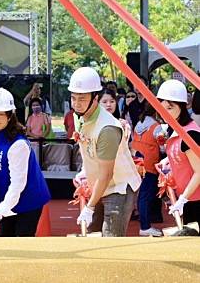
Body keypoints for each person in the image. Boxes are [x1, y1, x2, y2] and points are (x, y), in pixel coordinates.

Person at [70, 67, 141, 237]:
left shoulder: (107, 128)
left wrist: (90, 206)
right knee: (92, 234)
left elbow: (106, 174)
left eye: (82, 98)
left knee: (110, 239)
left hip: (119, 187)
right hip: (100, 185)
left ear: (95, 98)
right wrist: (84, 173)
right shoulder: (81, 117)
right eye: (73, 98)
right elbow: (89, 152)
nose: (76, 103)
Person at [0, 88, 50, 237]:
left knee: (22, 244)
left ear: (10, 116)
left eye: (1, 114)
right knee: (5, 241)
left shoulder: (18, 145)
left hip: (27, 201)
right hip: (6, 198)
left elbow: (17, 185)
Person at [156, 79, 200, 227]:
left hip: (195, 199)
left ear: (183, 106)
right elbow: (182, 154)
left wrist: (183, 199)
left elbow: (199, 171)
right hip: (188, 198)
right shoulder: (174, 128)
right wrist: (168, 160)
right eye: (162, 108)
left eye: (170, 107)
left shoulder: (190, 134)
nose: (165, 113)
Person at [132, 102, 164, 236]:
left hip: (138, 164)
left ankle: (145, 224)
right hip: (150, 165)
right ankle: (145, 226)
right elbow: (163, 146)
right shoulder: (156, 127)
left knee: (141, 196)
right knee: (145, 196)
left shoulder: (139, 124)